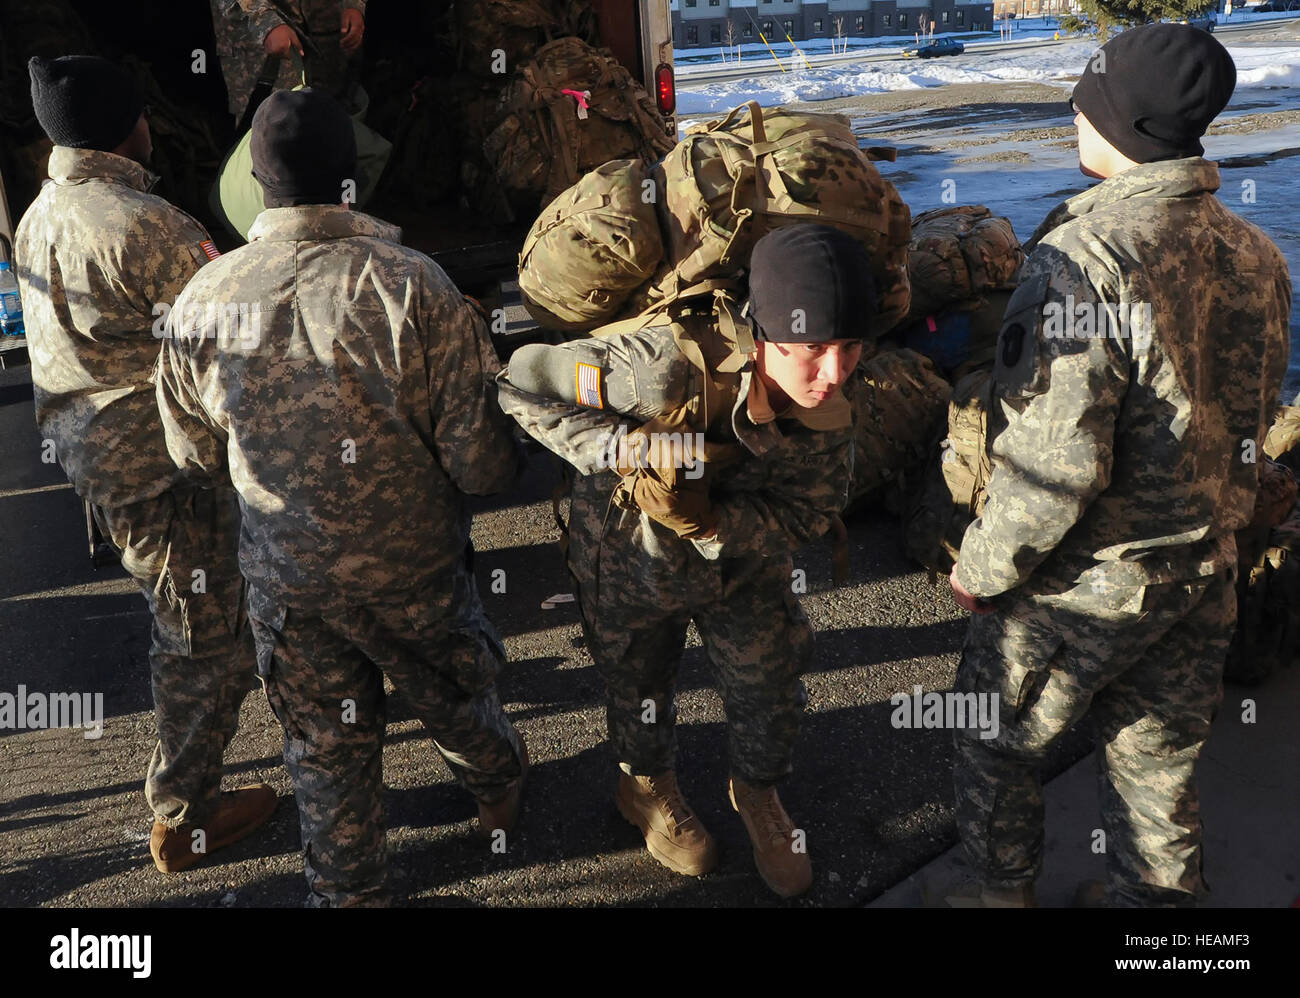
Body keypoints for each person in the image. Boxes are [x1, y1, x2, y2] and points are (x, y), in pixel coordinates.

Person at [943, 24, 1292, 907]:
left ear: (1123, 123)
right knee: (1159, 763)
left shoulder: (1083, 261)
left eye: (1084, 100)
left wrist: (983, 571)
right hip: (1201, 574)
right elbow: (1251, 416)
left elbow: (1055, 464)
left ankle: (998, 898)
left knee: (991, 740)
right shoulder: (1257, 251)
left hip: (1086, 585)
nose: (1071, 112)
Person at [156, 88, 528, 907]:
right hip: (417, 574)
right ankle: (497, 794)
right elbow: (480, 465)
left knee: (326, 751)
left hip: (289, 585)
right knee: (456, 699)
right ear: (352, 175)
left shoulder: (200, 300)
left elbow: (193, 454)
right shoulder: (416, 285)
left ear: (256, 179)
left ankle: (347, 893)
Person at [497, 224, 882, 898]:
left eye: (850, 348)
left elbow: (810, 512)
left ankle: (757, 792)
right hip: (630, 559)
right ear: (762, 335)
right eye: (811, 351)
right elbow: (520, 384)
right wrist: (621, 447)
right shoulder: (650, 369)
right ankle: (646, 790)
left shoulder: (832, 401)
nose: (833, 374)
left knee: (772, 685)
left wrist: (709, 523)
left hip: (740, 558)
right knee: (637, 685)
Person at [14, 55, 275, 873]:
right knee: (198, 634)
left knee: (199, 608)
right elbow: (229, 336)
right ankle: (184, 815)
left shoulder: (40, 212)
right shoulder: (144, 222)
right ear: (126, 124)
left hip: (96, 457)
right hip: (163, 469)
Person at [209, 0, 365, 123]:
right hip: (264, 53)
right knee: (267, 134)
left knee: (335, 126)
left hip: (332, 45)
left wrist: (354, 4)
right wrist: (265, 22)